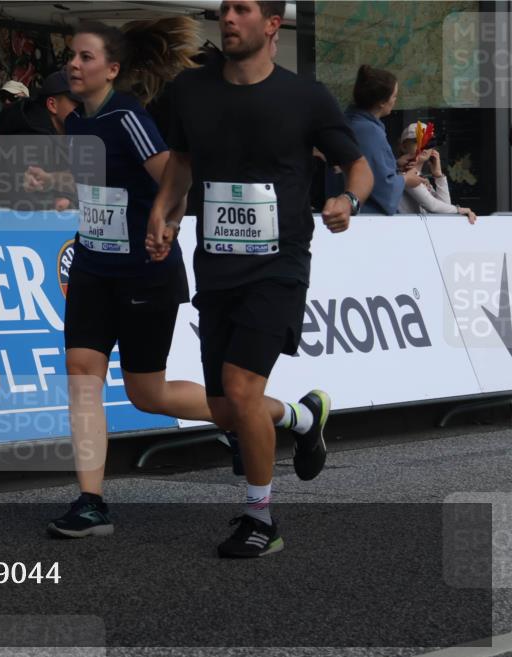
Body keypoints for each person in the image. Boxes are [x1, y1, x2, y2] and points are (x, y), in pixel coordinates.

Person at [28, 18, 329, 542]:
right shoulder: (74, 122)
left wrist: (163, 220)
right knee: (81, 375)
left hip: (144, 272)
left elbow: (173, 176)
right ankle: (91, 502)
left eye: (85, 58)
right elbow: (101, 182)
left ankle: (294, 418)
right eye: (70, 58)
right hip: (93, 267)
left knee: (150, 395)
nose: (73, 66)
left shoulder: (129, 115)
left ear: (112, 69)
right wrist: (61, 184)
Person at [150, 0, 374, 557]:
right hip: (217, 262)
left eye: (242, 9)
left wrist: (348, 198)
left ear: (273, 24)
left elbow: (361, 165)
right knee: (225, 405)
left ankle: (260, 518)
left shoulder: (305, 97)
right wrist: (165, 212)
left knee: (244, 387)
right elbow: (180, 162)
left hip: (281, 263)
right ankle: (301, 418)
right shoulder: (191, 91)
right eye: (224, 9)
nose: (228, 18)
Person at [0, 69, 79, 210]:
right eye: (78, 104)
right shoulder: (29, 142)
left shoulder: (61, 138)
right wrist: (69, 203)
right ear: (52, 105)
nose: (85, 111)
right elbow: (30, 208)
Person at [344, 65, 422, 214]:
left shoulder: (350, 122)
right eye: (394, 96)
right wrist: (405, 179)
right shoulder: (369, 132)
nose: (395, 100)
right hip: (368, 217)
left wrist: (394, 165)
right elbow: (382, 186)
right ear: (382, 101)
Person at [396, 124, 476, 223]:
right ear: (404, 147)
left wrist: (438, 176)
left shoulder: (421, 177)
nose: (424, 146)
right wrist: (459, 210)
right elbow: (433, 206)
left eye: (428, 142)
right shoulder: (403, 174)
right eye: (417, 141)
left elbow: (445, 210)